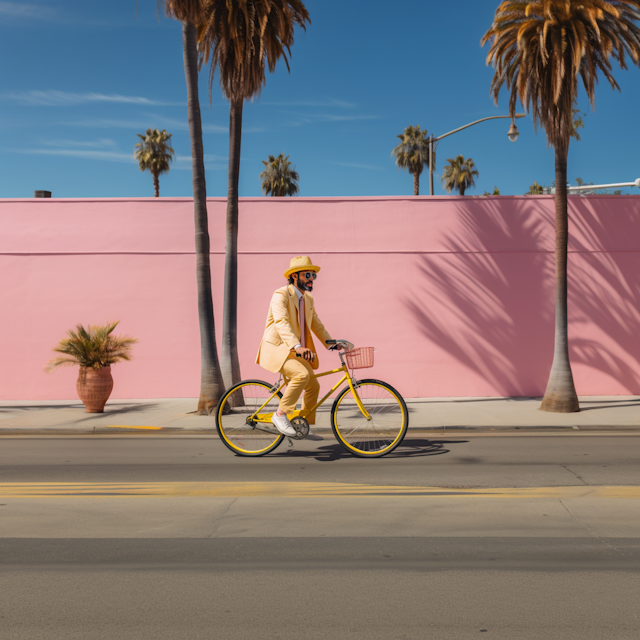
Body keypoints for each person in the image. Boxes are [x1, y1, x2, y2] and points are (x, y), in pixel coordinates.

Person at [256, 256, 340, 439]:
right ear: (294, 276)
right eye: (307, 274)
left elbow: (316, 325)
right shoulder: (281, 294)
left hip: (296, 352)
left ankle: (303, 426)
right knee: (301, 375)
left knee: (313, 386)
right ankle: (280, 415)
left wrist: (332, 343)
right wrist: (297, 345)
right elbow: (281, 322)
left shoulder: (308, 299)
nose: (311, 279)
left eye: (314, 276)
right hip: (279, 349)